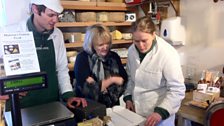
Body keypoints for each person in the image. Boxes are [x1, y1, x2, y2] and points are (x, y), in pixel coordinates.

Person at [0, 0, 87, 110]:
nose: (55, 20)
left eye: (57, 15)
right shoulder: (9, 32)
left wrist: (68, 95)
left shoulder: (57, 35)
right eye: (51, 15)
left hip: (51, 105)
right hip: (19, 108)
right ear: (35, 9)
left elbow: (61, 69)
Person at [123, 16, 186, 126]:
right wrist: (128, 98)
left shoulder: (167, 53)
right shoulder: (132, 51)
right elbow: (130, 77)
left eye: (144, 40)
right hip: (137, 113)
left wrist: (160, 112)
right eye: (136, 41)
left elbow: (177, 89)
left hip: (160, 116)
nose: (140, 45)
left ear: (153, 34)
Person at [74, 24, 128, 108]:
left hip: (112, 106)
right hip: (88, 107)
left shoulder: (114, 57)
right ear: (91, 44)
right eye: (100, 45)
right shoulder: (82, 58)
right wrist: (111, 80)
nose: (105, 47)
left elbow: (123, 80)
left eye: (107, 43)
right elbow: (87, 90)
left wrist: (100, 86)